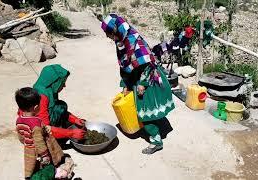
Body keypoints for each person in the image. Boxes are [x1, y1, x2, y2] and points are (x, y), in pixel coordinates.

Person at [101, 14, 175, 154]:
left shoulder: (133, 40)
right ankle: (157, 126)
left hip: (147, 78)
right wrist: (125, 83)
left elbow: (147, 63)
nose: (108, 36)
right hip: (136, 77)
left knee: (144, 112)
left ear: (116, 29)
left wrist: (142, 83)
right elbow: (124, 64)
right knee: (147, 109)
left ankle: (156, 141)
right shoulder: (121, 42)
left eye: (109, 33)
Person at [15, 87, 75, 179]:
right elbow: (40, 143)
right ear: (35, 107)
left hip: (28, 148)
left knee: (32, 165)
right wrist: (45, 156)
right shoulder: (36, 123)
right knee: (48, 165)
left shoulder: (19, 120)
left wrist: (27, 142)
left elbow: (21, 137)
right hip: (41, 150)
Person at [20, 64, 86, 141]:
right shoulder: (41, 97)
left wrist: (75, 119)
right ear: (55, 82)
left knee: (60, 106)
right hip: (34, 131)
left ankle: (58, 129)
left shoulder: (49, 90)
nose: (64, 85)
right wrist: (71, 133)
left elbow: (58, 109)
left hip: (43, 125)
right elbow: (45, 129)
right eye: (62, 83)